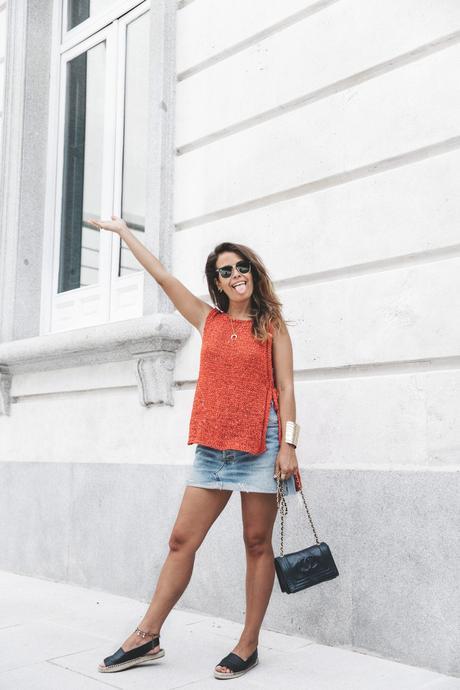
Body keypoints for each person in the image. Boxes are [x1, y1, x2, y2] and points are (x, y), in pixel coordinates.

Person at [89, 215, 301, 680]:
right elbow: (163, 277)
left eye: (242, 266)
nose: (235, 275)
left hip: (261, 444)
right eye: (225, 271)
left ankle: (248, 644)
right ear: (217, 282)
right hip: (213, 447)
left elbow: (285, 388)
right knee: (181, 540)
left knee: (256, 542)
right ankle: (147, 636)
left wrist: (288, 447)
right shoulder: (208, 318)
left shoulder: (271, 325)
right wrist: (126, 234)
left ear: (253, 272)